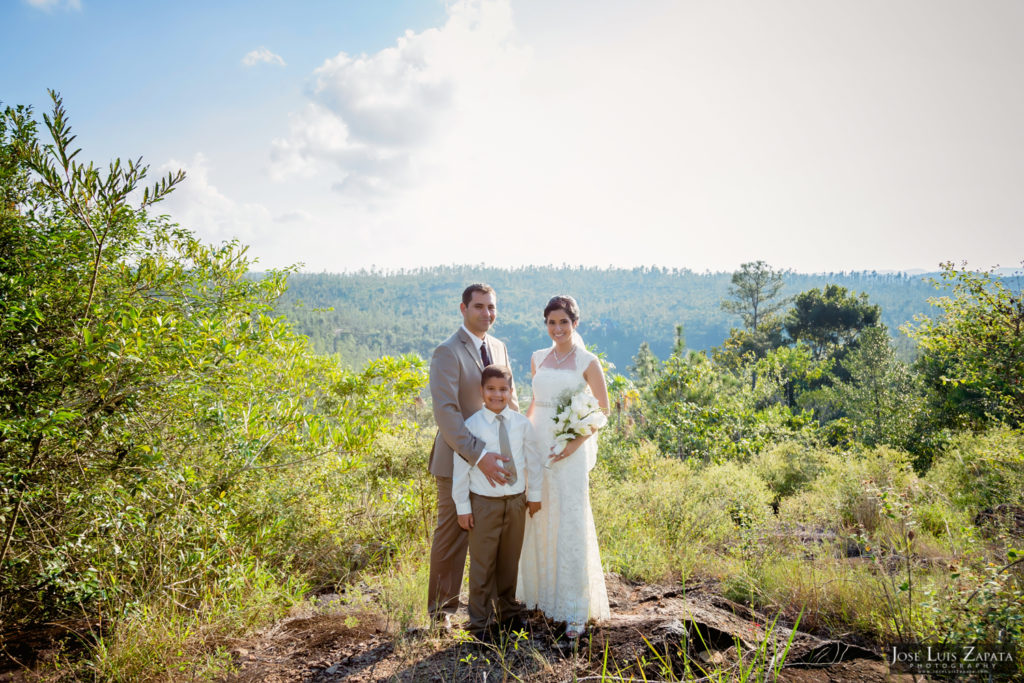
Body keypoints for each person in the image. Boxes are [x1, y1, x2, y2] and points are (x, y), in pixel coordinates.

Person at [517, 295, 611, 639]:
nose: (557, 329)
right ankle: (542, 599)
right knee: (538, 518)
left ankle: (573, 609)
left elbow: (603, 411)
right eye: (551, 322)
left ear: (575, 323)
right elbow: (534, 404)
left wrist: (572, 445)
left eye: (564, 322)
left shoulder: (587, 361)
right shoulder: (537, 358)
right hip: (538, 446)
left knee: (569, 522)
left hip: (568, 453)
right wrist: (519, 438)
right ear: (546, 324)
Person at [427, 284, 518, 626]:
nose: (486, 313)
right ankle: (441, 615)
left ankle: (493, 609)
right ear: (462, 308)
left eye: (491, 307)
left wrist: (518, 448)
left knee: (493, 535)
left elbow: (511, 400)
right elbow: (447, 413)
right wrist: (480, 455)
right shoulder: (447, 352)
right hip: (458, 459)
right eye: (479, 306)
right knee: (452, 537)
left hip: (499, 461)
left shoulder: (499, 347)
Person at [452, 365, 542, 639]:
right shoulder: (471, 427)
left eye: (503, 389)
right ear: (481, 392)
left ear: (511, 391)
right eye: (490, 389)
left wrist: (534, 495)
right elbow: (461, 470)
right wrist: (463, 508)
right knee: (482, 566)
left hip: (515, 503)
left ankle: (509, 617)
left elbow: (533, 462)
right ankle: (479, 625)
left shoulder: (521, 424)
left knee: (508, 564)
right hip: (484, 505)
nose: (497, 394)